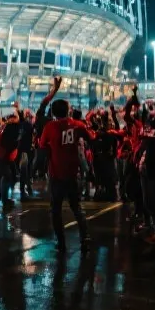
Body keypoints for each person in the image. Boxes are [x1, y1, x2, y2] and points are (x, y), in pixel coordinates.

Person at [37, 79, 92, 252]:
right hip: (72, 173)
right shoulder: (78, 125)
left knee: (56, 210)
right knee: (77, 208)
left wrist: (54, 90)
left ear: (53, 112)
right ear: (68, 110)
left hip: (56, 174)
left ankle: (61, 243)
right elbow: (92, 137)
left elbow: (42, 145)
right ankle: (86, 239)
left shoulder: (50, 127)